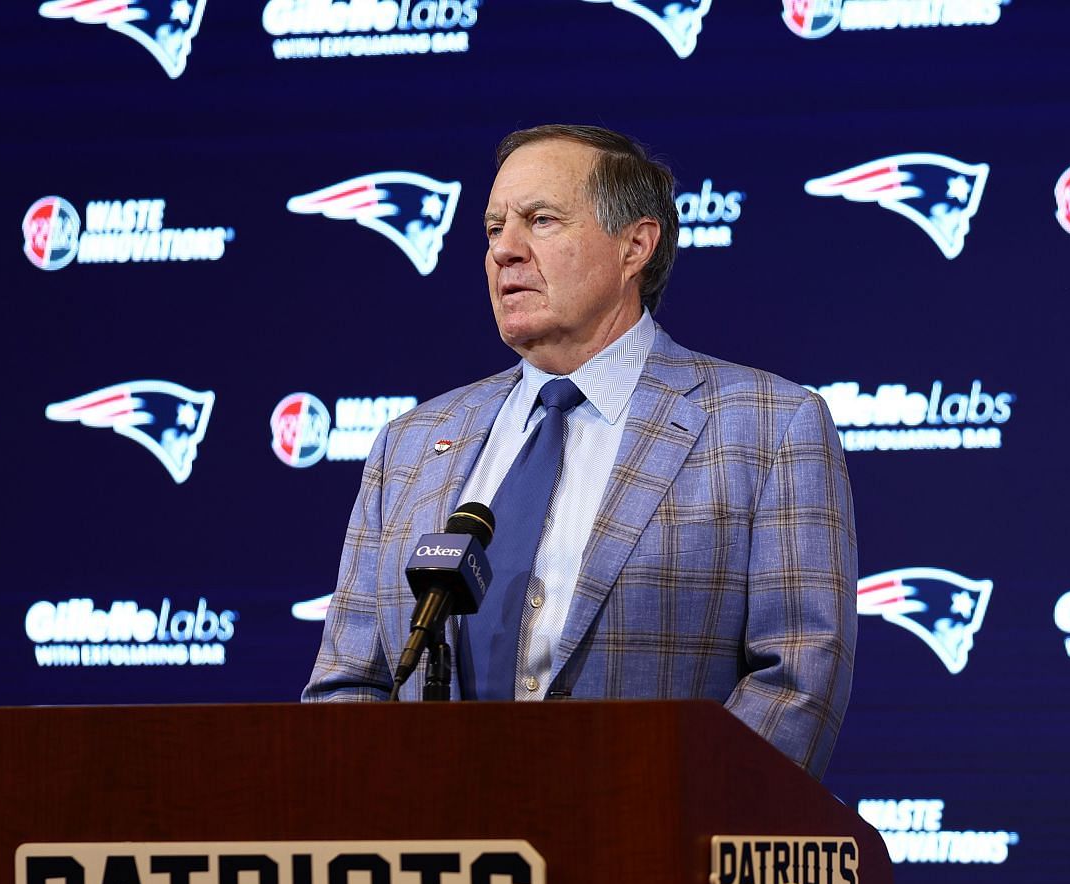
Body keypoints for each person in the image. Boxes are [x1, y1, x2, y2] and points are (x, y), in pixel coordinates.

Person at [304, 125, 856, 777]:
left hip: (651, 852)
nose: (504, 250)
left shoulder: (768, 426)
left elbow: (795, 681)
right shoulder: (412, 444)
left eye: (540, 220)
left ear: (635, 245)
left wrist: (655, 828)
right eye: (492, 229)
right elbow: (349, 686)